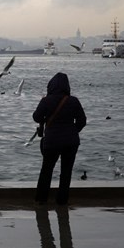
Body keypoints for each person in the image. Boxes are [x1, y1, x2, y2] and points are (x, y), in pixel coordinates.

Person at [33, 72, 86, 205]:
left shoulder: (46, 100)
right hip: (71, 142)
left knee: (46, 170)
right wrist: (73, 131)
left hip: (51, 142)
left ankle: (41, 200)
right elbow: (82, 120)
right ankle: (62, 201)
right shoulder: (73, 101)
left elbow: (36, 117)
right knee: (66, 172)